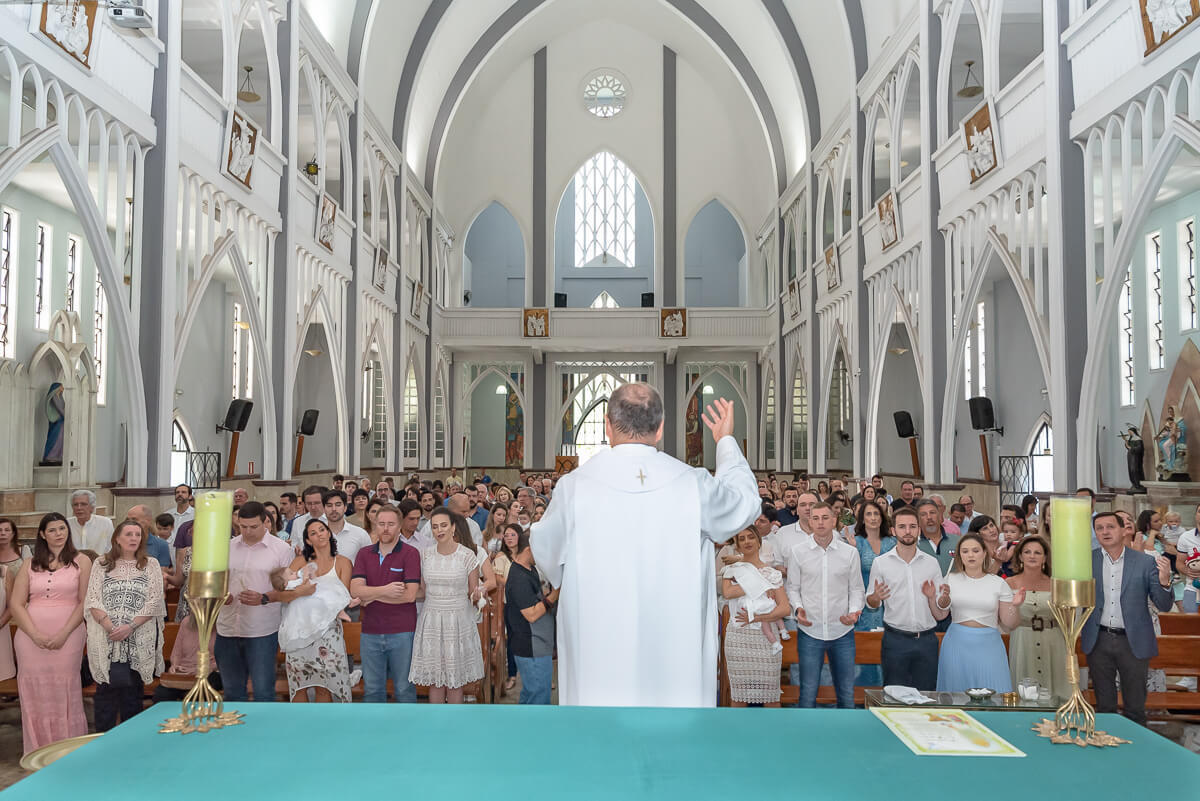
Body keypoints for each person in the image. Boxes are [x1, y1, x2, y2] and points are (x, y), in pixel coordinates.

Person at [531, 386, 760, 707]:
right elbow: (745, 505)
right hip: (674, 649)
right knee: (674, 718)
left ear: (607, 426)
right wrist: (725, 441)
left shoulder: (574, 487)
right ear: (661, 428)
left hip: (599, 644)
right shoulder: (692, 484)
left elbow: (546, 551)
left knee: (598, 718)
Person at [9, 512, 92, 754]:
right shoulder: (29, 564)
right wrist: (34, 635)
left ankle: (68, 751)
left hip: (69, 634)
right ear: (43, 535)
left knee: (64, 689)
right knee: (34, 691)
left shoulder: (82, 561)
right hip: (30, 637)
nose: (59, 534)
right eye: (53, 530)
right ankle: (37, 751)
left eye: (62, 528)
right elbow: (16, 604)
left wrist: (64, 633)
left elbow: (84, 602)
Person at [1081, 512, 1174, 726]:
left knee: (1135, 707)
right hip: (1098, 639)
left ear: (1123, 530)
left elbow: (1163, 605)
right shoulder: (1087, 561)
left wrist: (1165, 581)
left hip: (1133, 640)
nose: (1105, 532)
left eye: (1110, 527)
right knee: (1105, 707)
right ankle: (1106, 743)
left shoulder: (1144, 562)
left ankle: (1136, 745)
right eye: (1099, 528)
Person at [83, 519, 166, 730]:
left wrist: (130, 627)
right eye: (128, 534)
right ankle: (102, 741)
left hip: (138, 637)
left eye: (138, 535)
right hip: (107, 637)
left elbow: (155, 600)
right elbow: (93, 599)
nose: (134, 538)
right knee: (105, 694)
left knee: (132, 694)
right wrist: (111, 627)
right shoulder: (101, 563)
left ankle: (131, 741)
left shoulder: (151, 564)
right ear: (117, 539)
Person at [215, 502, 300, 703]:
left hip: (261, 630)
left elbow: (290, 589)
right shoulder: (227, 547)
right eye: (243, 526)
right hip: (228, 627)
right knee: (232, 692)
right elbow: (216, 580)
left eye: (253, 527)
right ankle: (235, 723)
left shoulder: (281, 549)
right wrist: (220, 595)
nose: (247, 531)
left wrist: (263, 597)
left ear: (265, 523)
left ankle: (264, 724)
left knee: (263, 691)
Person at [784, 503, 864, 708]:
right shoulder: (798, 552)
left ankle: (845, 729)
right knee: (808, 692)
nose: (820, 522)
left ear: (834, 520)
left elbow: (856, 589)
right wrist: (798, 608)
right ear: (810, 522)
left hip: (842, 631)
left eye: (825, 518)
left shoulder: (849, 553)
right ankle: (807, 729)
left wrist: (853, 612)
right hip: (810, 630)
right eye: (816, 518)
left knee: (846, 694)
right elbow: (792, 588)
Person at [863, 507, 948, 690]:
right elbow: (871, 603)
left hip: (926, 640)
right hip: (895, 640)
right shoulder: (881, 563)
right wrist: (876, 597)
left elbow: (941, 609)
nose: (908, 531)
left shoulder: (931, 563)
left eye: (912, 526)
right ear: (893, 531)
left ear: (919, 530)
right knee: (894, 696)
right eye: (902, 527)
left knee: (926, 695)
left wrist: (940, 599)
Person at [409, 508, 485, 704]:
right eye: (435, 527)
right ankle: (436, 721)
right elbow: (422, 591)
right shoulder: (425, 555)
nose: (439, 530)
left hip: (457, 621)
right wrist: (397, 594)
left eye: (443, 525)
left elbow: (472, 592)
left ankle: (454, 721)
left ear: (453, 527)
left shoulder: (467, 555)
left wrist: (478, 595)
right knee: (435, 680)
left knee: (454, 681)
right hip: (432, 620)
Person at [277, 519, 356, 703]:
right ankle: (301, 721)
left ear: (329, 533)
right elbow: (283, 591)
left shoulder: (343, 563)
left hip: (327, 632)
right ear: (308, 540)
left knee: (324, 687)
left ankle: (323, 721)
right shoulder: (300, 561)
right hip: (299, 630)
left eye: (322, 529)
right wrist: (301, 591)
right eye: (313, 533)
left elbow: (343, 598)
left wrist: (315, 598)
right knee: (299, 686)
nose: (319, 534)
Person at [351, 505, 422, 703]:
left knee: (404, 688)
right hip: (370, 631)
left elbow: (410, 595)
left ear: (399, 527)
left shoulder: (410, 553)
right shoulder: (364, 554)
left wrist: (370, 596)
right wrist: (385, 590)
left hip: (402, 632)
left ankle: (406, 724)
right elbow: (355, 590)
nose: (385, 528)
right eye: (381, 524)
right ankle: (375, 724)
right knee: (372, 690)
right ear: (375, 525)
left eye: (391, 524)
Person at [936, 533, 1022, 693]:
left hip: (989, 646)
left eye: (975, 551)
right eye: (965, 551)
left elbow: (1010, 623)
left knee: (995, 693)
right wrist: (940, 599)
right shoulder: (950, 579)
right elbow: (940, 613)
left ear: (984, 553)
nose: (970, 555)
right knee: (956, 697)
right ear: (960, 555)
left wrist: (1015, 606)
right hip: (956, 644)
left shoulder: (998, 583)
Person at [721, 528, 788, 706]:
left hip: (766, 639)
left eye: (751, 537)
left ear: (759, 542)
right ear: (737, 545)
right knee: (738, 697)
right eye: (742, 539)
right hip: (738, 638)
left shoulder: (772, 573)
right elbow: (728, 593)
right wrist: (762, 583)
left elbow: (784, 608)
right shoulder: (731, 570)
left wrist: (757, 618)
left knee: (771, 698)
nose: (747, 541)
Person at [1004, 535, 1068, 700]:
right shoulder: (1009, 583)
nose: (1032, 556)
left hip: (1052, 640)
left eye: (1037, 553)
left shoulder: (1056, 583)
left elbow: (1067, 618)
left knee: (1055, 690)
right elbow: (1005, 618)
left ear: (1045, 558)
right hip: (1022, 640)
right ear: (1020, 556)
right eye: (1027, 552)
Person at [504, 528, 558, 704]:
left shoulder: (530, 569)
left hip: (538, 644)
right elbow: (532, 614)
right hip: (530, 646)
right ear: (529, 549)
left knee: (531, 695)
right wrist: (554, 595)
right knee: (538, 696)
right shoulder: (518, 577)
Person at [852, 499, 895, 686]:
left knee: (889, 650)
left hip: (891, 602)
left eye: (876, 513)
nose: (873, 517)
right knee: (867, 651)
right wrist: (852, 550)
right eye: (868, 514)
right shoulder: (857, 542)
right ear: (862, 519)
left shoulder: (892, 542)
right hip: (865, 605)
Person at [321, 490, 372, 567]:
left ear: (345, 508)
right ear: (324, 509)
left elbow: (370, 562)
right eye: (329, 505)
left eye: (338, 505)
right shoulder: (316, 535)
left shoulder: (360, 534)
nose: (334, 509)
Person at [916, 499, 960, 576]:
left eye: (932, 513)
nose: (929, 517)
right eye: (923, 514)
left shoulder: (958, 541)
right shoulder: (913, 545)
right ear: (918, 520)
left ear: (940, 516)